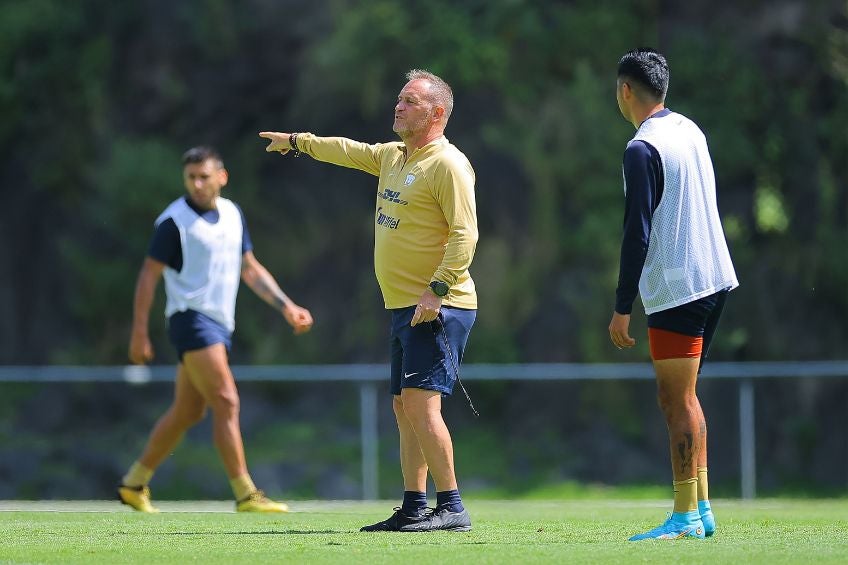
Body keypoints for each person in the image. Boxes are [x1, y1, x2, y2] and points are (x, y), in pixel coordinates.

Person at [259, 69, 478, 532]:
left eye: (409, 101)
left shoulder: (447, 163)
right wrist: (299, 141)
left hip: (439, 305)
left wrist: (436, 291)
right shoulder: (395, 156)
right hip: (404, 305)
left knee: (421, 405)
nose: (398, 107)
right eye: (399, 99)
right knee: (404, 406)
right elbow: (347, 150)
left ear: (436, 113)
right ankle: (416, 505)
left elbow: (465, 234)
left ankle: (452, 506)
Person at [119, 146, 314, 513]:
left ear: (221, 177)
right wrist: (139, 332)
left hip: (219, 325)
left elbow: (250, 269)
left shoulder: (232, 214)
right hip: (191, 319)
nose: (196, 184)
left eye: (204, 176)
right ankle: (245, 493)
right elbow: (148, 276)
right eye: (190, 177)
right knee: (227, 400)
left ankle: (133, 482)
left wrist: (287, 306)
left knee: (187, 412)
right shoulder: (173, 222)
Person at [608, 48, 739, 540]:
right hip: (715, 276)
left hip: (678, 288)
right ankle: (701, 508)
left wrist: (622, 307)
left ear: (625, 90)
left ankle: (684, 514)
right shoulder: (689, 129)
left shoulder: (642, 147)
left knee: (674, 400)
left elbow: (636, 232)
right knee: (687, 397)